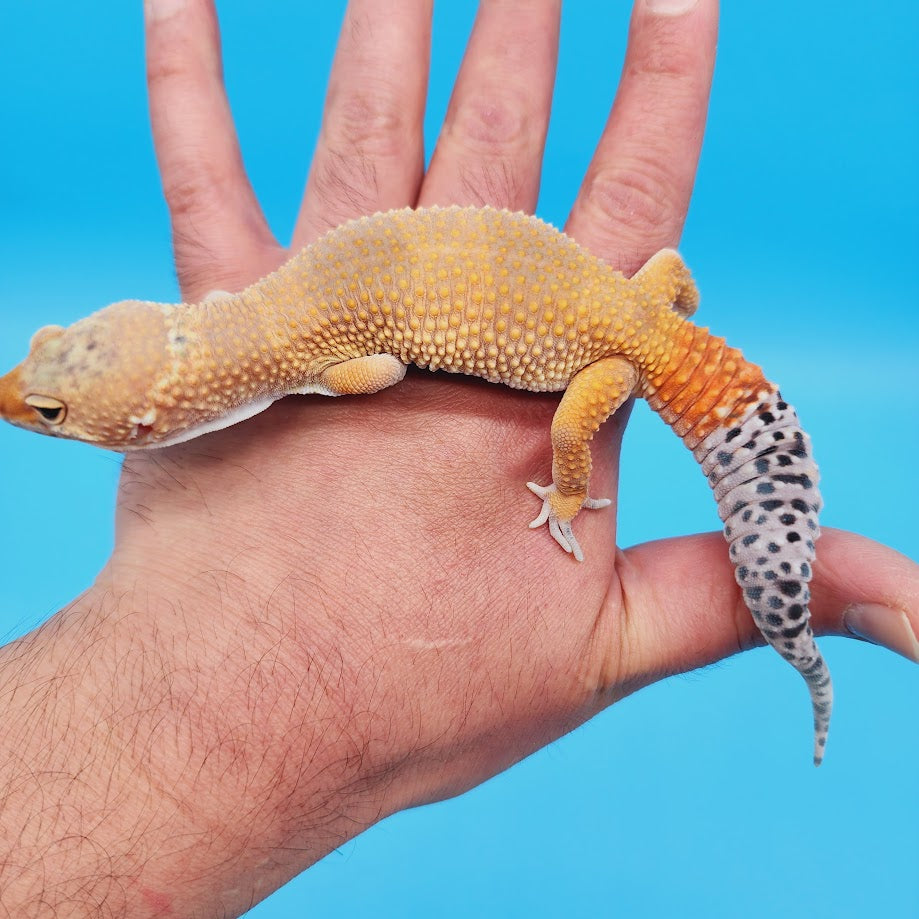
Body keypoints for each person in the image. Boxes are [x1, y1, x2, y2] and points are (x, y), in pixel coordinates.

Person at [2, 0, 916, 914]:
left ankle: (567, 493)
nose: (27, 405)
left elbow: (379, 369)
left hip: (612, 359)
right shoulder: (269, 307)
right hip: (649, 297)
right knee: (656, 287)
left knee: (568, 433)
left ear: (148, 429)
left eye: (53, 410)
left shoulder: (307, 361)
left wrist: (568, 493)